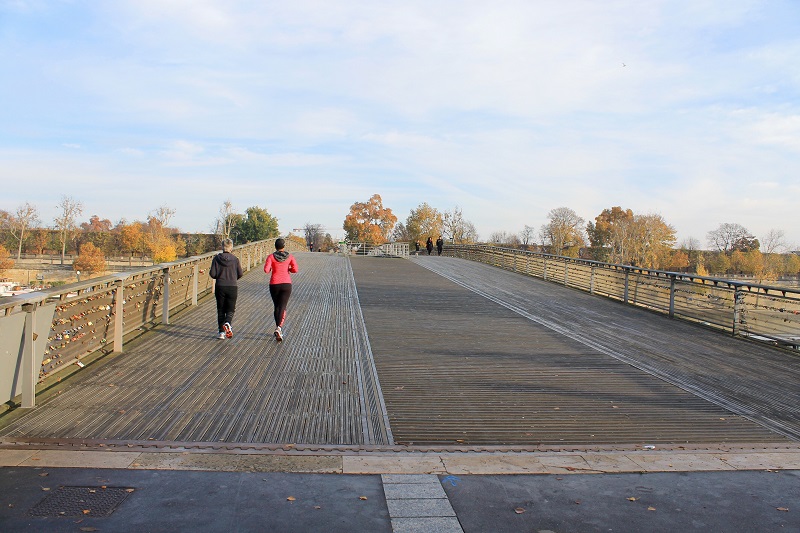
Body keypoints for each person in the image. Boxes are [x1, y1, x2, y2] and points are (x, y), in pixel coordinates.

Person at [263, 238, 299, 342]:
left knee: (277, 306)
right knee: (283, 306)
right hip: (286, 284)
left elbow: (266, 270)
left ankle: (277, 327)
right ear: (284, 246)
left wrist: (271, 268)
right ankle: (279, 328)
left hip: (274, 284)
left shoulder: (271, 257)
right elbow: (295, 269)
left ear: (275, 246)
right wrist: (289, 269)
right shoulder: (290, 257)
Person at [209, 238, 243, 339]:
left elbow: (213, 274)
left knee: (220, 309)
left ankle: (221, 333)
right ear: (231, 247)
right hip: (232, 286)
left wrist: (219, 276)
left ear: (222, 247)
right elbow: (240, 273)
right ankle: (228, 322)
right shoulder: (235, 259)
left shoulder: (216, 259)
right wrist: (233, 278)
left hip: (220, 286)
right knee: (230, 309)